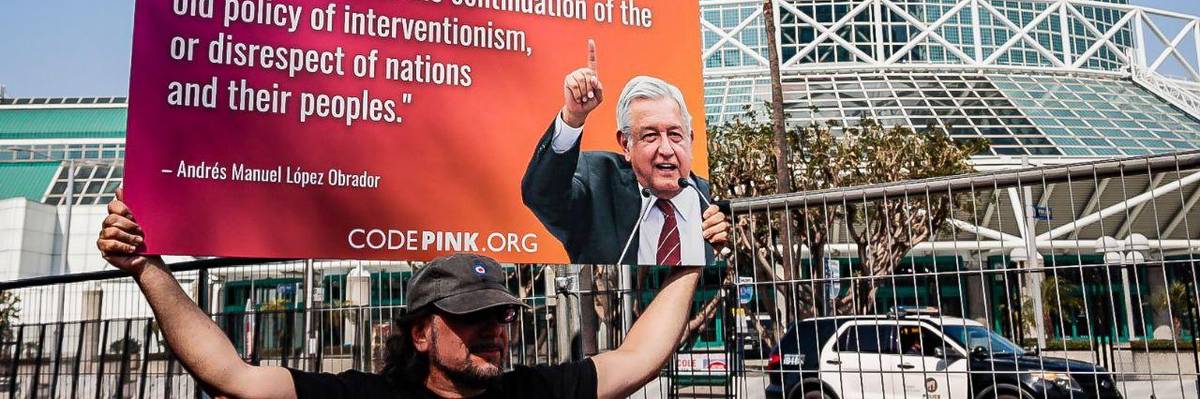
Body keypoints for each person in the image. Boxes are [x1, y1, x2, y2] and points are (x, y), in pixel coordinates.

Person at [97, 188, 728, 398]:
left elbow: (638, 358)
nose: (494, 329)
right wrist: (145, 266)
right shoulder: (367, 396)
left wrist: (690, 263)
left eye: (501, 315)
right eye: (472, 317)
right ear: (421, 332)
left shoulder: (533, 391)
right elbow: (231, 376)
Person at [522, 40, 725, 265]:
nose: (666, 150)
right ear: (626, 145)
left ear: (691, 140)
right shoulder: (598, 185)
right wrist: (573, 117)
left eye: (675, 135)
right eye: (650, 136)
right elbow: (542, 196)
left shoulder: (715, 201)